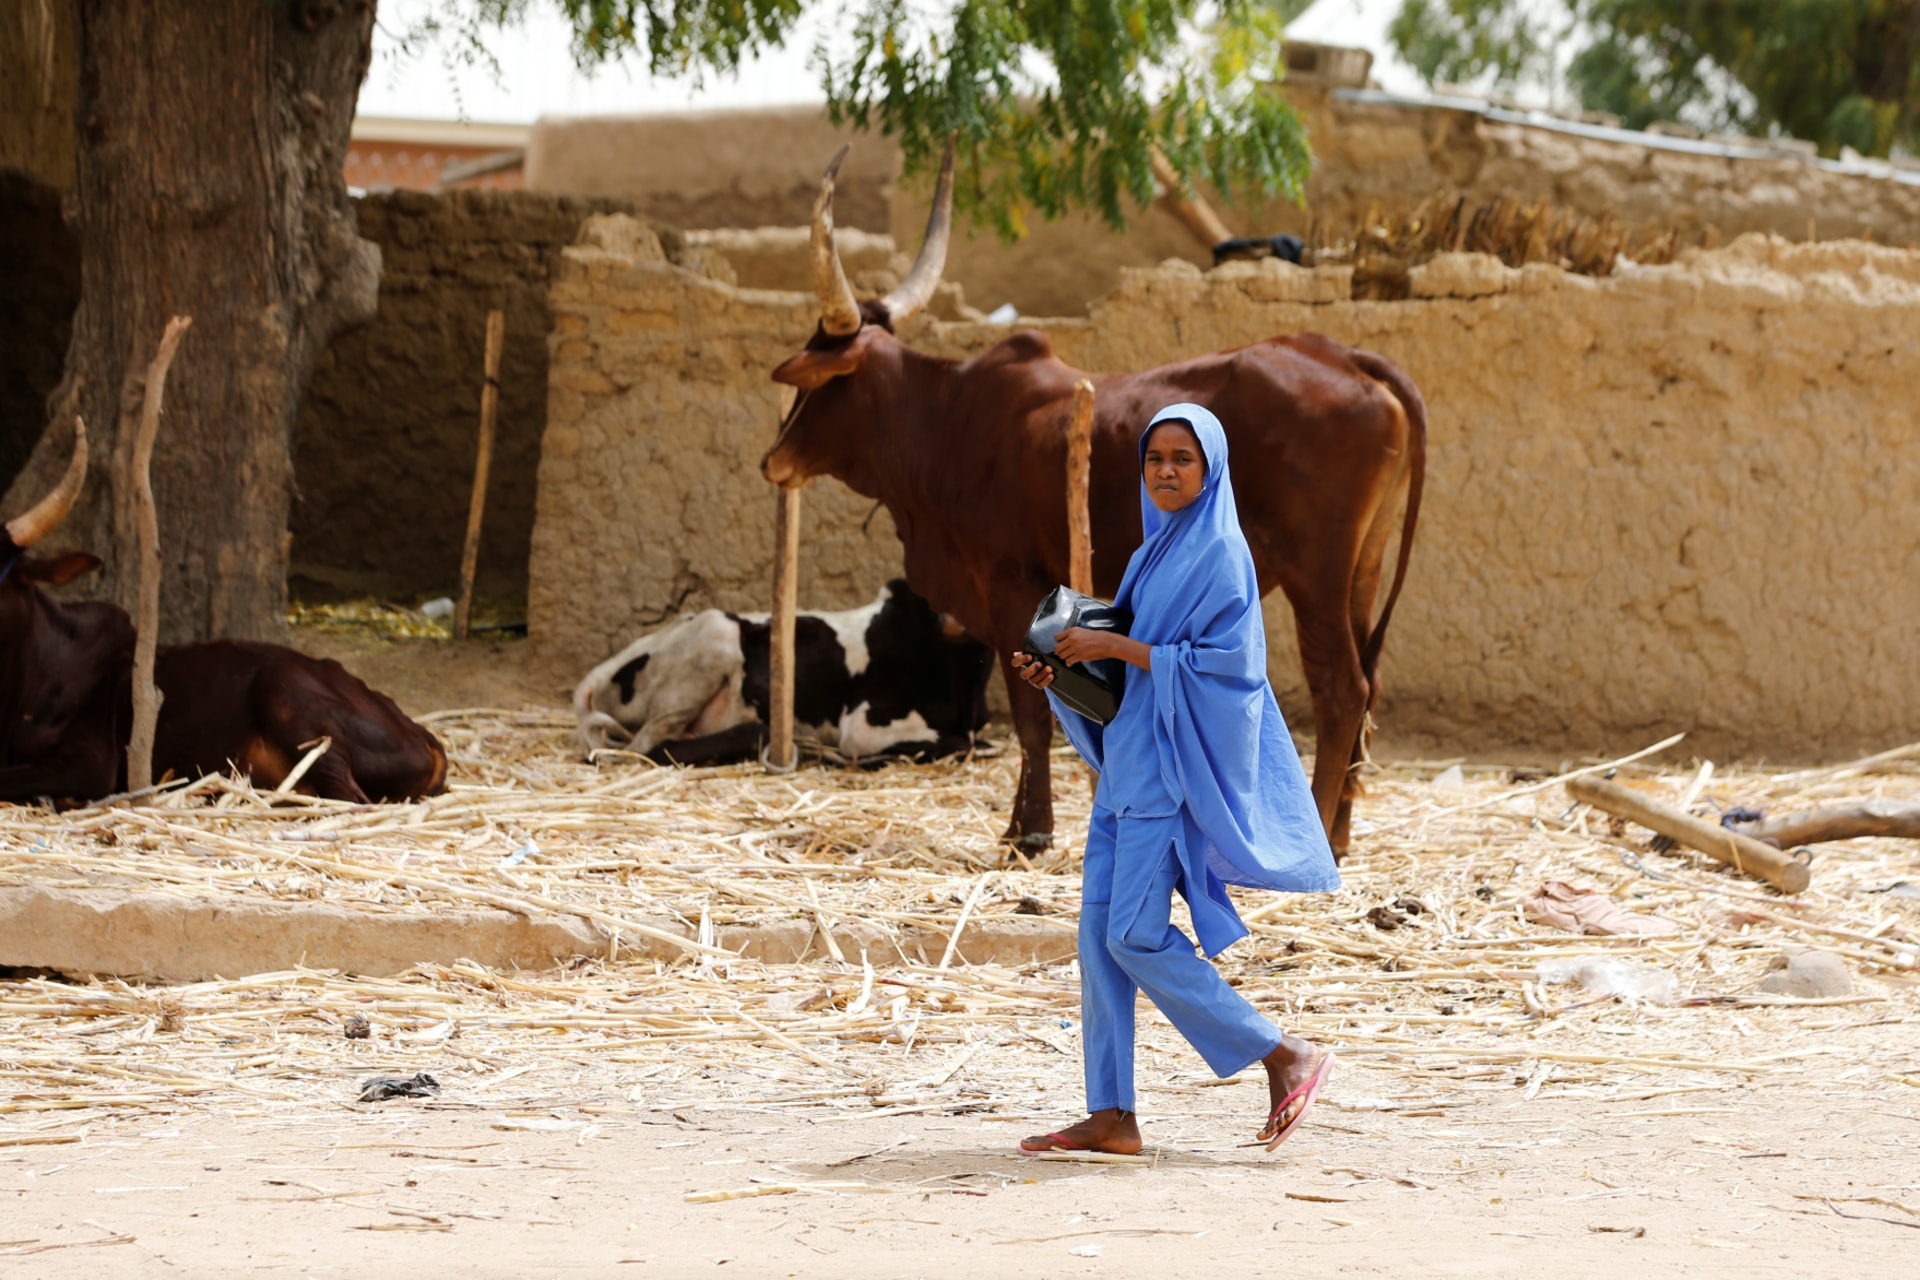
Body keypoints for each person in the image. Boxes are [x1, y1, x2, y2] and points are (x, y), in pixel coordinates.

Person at [1010, 403, 1341, 1155]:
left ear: (1210, 468)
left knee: (1134, 935)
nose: (1165, 470)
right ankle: (1112, 1115)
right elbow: (1119, 680)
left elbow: (1232, 672)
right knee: (1098, 941)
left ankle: (1282, 1052)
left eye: (1182, 459)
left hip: (1164, 779)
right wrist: (1058, 675)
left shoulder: (1223, 553)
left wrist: (1117, 645)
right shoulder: (1148, 556)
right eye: (1155, 457)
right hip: (1124, 770)